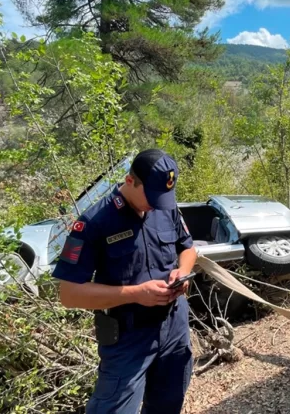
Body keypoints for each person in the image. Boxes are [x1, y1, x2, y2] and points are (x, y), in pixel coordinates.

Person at [52, 149, 197, 414]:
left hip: (173, 326)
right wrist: (135, 293)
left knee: (168, 404)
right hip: (127, 337)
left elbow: (188, 248)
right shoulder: (94, 222)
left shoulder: (165, 206)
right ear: (130, 181)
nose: (156, 204)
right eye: (151, 197)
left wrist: (182, 272)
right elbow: (69, 294)